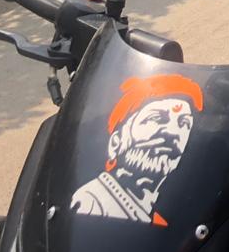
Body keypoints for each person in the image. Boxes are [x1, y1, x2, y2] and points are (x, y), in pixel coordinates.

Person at [69, 74, 203, 225]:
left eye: (184, 123)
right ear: (116, 143)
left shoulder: (158, 218)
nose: (172, 132)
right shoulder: (90, 204)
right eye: (157, 118)